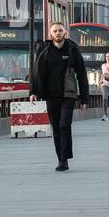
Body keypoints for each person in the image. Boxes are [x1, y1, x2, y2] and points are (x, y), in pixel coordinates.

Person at [30, 21, 89, 172]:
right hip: (50, 95)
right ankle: (60, 159)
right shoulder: (44, 50)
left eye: (60, 30)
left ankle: (65, 159)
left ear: (65, 33)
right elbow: (35, 72)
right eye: (55, 31)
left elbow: (82, 74)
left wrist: (84, 98)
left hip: (68, 95)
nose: (57, 33)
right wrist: (33, 92)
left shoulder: (72, 50)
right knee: (56, 128)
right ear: (50, 34)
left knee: (64, 125)